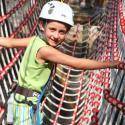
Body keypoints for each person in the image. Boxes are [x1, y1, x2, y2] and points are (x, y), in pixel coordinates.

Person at [0, 1, 124, 125]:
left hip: (16, 100)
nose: (56, 35)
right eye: (52, 29)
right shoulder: (46, 51)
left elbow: (9, 42)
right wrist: (110, 64)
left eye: (62, 32)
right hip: (24, 108)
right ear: (42, 25)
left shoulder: (34, 40)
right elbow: (77, 63)